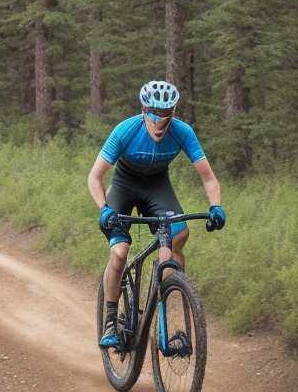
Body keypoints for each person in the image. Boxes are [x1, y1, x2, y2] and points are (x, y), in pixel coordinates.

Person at [87, 80, 225, 347]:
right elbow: (95, 177)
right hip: (124, 186)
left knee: (178, 236)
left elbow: (208, 177)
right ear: (143, 109)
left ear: (173, 112)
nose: (159, 120)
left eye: (166, 114)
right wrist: (104, 209)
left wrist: (215, 206)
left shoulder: (183, 131)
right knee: (119, 252)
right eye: (154, 113)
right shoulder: (126, 130)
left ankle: (169, 300)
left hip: (157, 187)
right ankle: (111, 320)